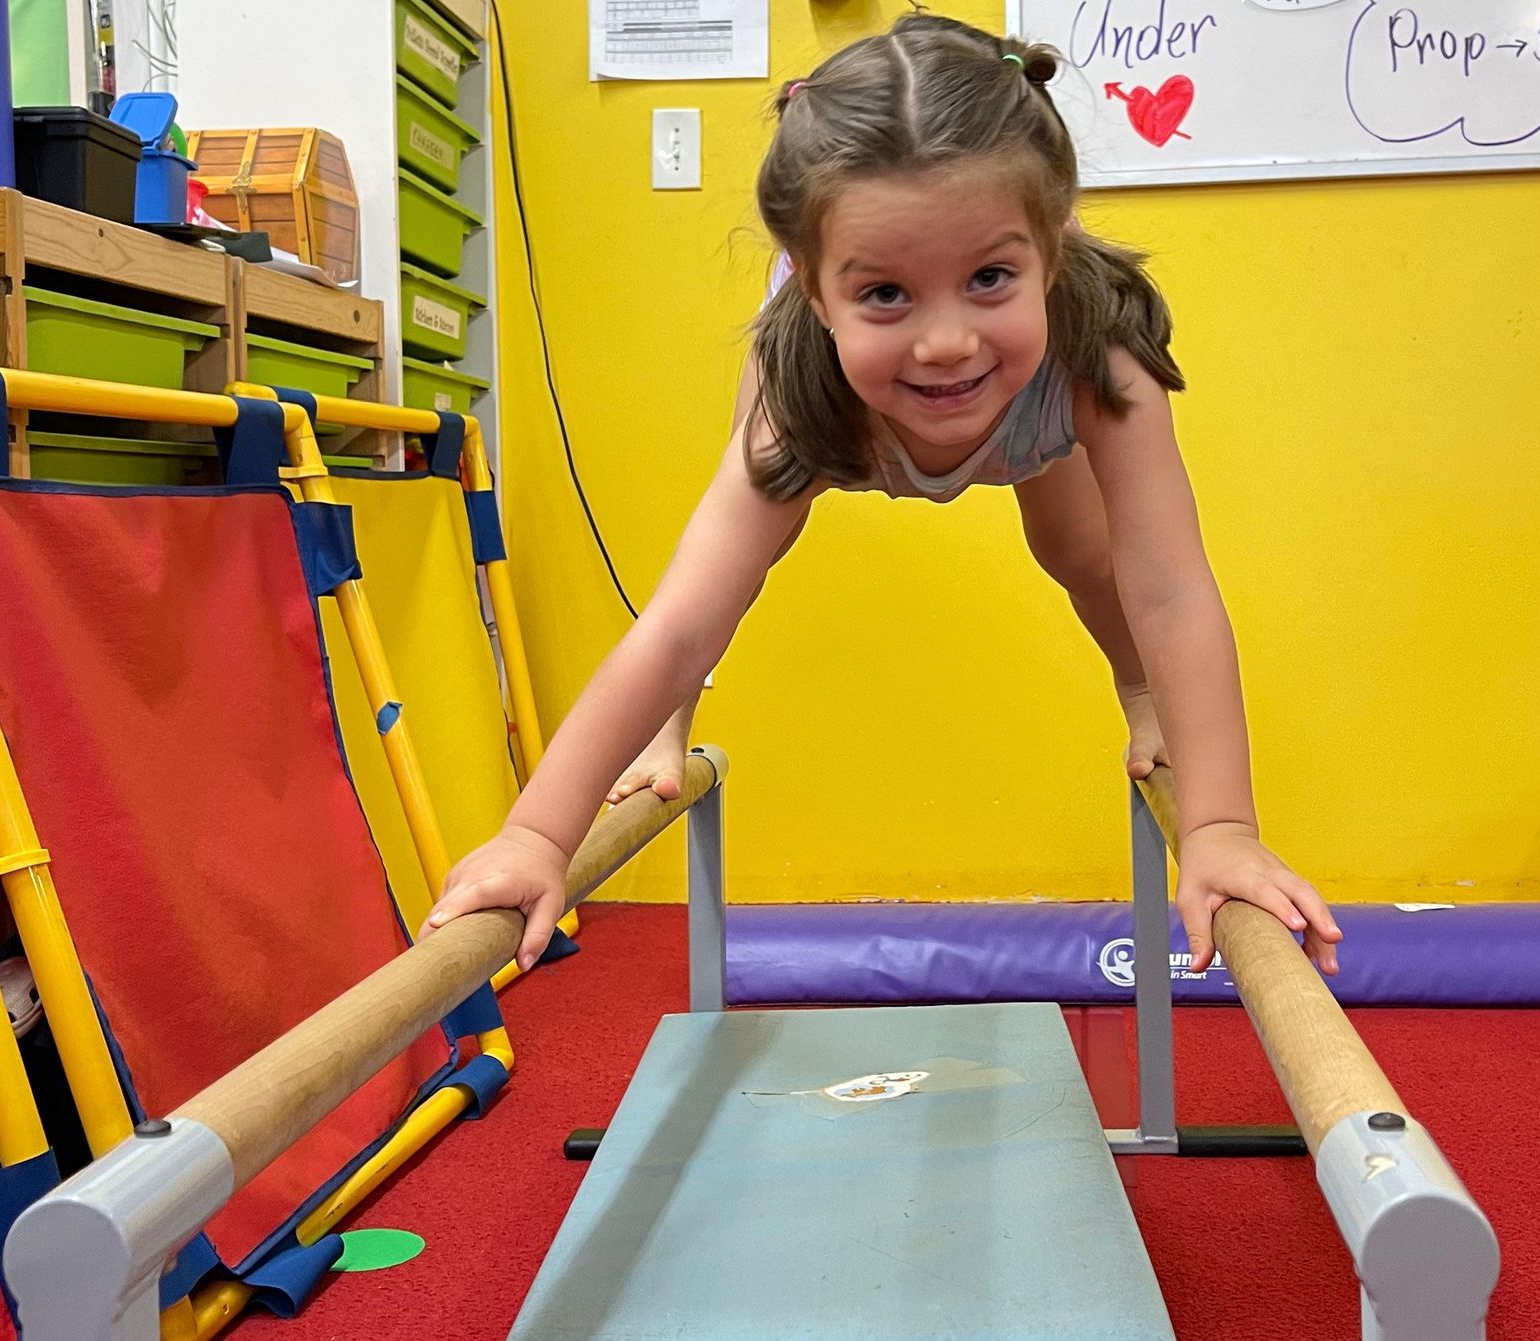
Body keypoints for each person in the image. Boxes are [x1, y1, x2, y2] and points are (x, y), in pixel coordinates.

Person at [424, 14, 1342, 980]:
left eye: (990, 277)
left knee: (1081, 551)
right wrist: (537, 836)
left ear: (1052, 251)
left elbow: (1172, 593)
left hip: (1036, 397)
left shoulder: (1100, 360)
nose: (945, 341)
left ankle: (1138, 693)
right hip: (842, 405)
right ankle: (670, 724)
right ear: (814, 292)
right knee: (733, 564)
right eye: (887, 295)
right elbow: (679, 625)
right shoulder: (797, 397)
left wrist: (1221, 826)